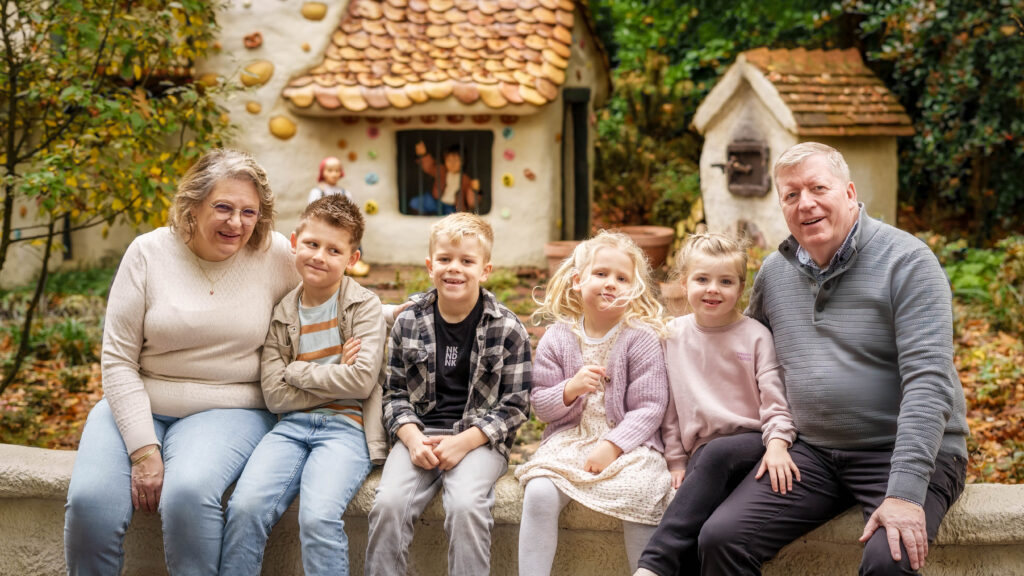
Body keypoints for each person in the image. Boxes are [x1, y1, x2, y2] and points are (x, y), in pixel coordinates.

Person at [697, 142, 970, 575]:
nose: (805, 204)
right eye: (790, 195)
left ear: (848, 192)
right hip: (815, 454)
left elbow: (929, 383)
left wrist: (903, 493)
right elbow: (744, 358)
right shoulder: (776, 271)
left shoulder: (909, 262)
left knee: (890, 561)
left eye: (817, 188)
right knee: (721, 539)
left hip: (905, 449)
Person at [64, 149, 299, 575]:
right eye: (223, 207)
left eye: (250, 211)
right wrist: (142, 451)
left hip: (231, 406)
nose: (236, 223)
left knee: (187, 493)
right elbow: (117, 359)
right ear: (192, 206)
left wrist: (417, 310)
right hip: (139, 399)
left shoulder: (275, 253)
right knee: (90, 502)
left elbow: (336, 303)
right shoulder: (148, 253)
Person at [219, 194, 386, 576]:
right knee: (245, 508)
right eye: (312, 244)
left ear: (352, 260)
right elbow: (274, 395)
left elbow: (360, 382)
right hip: (290, 428)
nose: (319, 256)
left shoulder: (364, 307)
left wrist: (297, 370)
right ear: (294, 241)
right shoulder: (283, 312)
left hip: (346, 429)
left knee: (318, 518)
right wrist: (333, 374)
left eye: (334, 250)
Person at [364, 212, 532, 576]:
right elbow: (394, 394)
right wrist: (411, 439)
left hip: (478, 441)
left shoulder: (507, 328)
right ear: (430, 265)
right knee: (389, 504)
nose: (454, 269)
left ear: (485, 270)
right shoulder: (409, 322)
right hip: (419, 435)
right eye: (445, 259)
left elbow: (516, 406)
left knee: (467, 506)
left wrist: (464, 442)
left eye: (466, 261)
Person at [633, 233, 799, 576]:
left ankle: (653, 566)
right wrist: (676, 461)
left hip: (752, 444)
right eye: (702, 279)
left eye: (725, 281)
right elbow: (669, 409)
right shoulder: (672, 335)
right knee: (702, 521)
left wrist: (779, 444)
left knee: (715, 454)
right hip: (703, 456)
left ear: (740, 289)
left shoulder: (755, 336)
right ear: (684, 283)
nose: (713, 289)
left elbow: (775, 401)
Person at [516, 231, 673, 575]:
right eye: (601, 274)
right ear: (577, 281)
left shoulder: (640, 339)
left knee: (642, 492)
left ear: (634, 289)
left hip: (628, 445)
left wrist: (613, 445)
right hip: (570, 440)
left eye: (622, 278)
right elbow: (540, 405)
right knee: (539, 492)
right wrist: (569, 390)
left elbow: (650, 407)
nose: (611, 283)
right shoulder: (558, 338)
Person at [308, 156, 370, 277]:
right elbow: (312, 212)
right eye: (330, 171)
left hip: (341, 227)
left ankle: (350, 263)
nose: (334, 174)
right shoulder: (317, 192)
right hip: (324, 228)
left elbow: (351, 212)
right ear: (323, 172)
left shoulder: (345, 193)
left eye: (337, 171)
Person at [410, 141, 480, 215]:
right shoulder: (441, 170)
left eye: (456, 160)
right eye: (449, 160)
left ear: (463, 162)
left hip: (452, 206)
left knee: (451, 220)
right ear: (445, 161)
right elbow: (429, 167)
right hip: (436, 201)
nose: (452, 164)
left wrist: (475, 190)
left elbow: (471, 203)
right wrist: (423, 155)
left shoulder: (466, 180)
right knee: (415, 202)